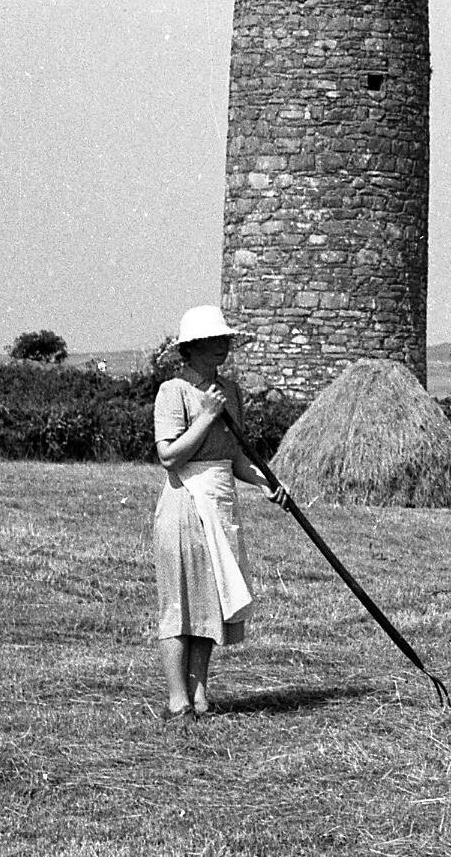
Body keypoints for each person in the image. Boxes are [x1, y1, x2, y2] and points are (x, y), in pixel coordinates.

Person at [150, 304, 288, 720]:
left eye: (223, 340)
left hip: (221, 500)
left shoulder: (229, 391)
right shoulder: (172, 392)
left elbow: (236, 457)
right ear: (188, 350)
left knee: (212, 600)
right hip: (184, 503)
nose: (220, 348)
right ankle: (178, 701)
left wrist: (268, 485)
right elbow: (170, 456)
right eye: (209, 341)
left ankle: (201, 695)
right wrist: (206, 415)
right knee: (179, 603)